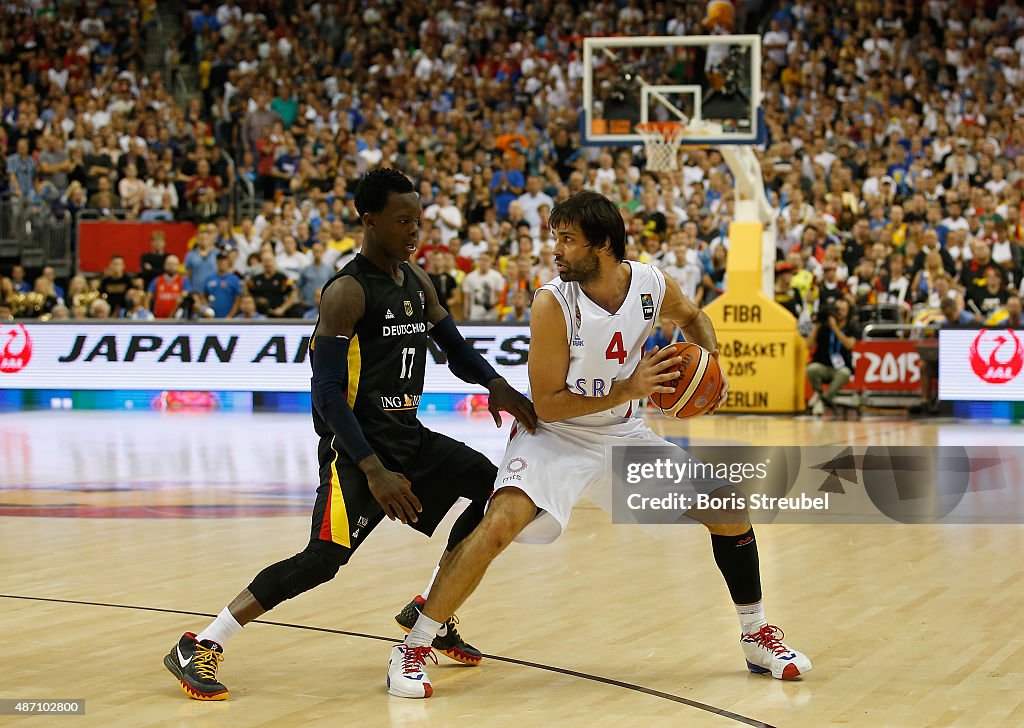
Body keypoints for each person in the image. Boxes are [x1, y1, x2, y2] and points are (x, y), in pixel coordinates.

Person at [386, 190, 810, 698]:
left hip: (621, 435)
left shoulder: (651, 285)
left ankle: (756, 635)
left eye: (567, 240)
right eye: (555, 239)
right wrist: (628, 388)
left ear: (603, 246)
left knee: (727, 509)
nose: (556, 251)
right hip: (554, 437)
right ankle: (413, 645)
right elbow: (547, 404)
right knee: (498, 525)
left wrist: (708, 365)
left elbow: (694, 316)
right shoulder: (552, 303)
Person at [164, 168, 536, 700]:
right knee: (323, 561)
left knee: (496, 491)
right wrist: (372, 468)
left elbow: (454, 349)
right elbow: (327, 395)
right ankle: (201, 642)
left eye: (418, 221)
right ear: (370, 220)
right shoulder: (345, 293)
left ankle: (431, 606)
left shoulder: (417, 281)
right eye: (404, 221)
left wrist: (495, 384)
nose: (415, 231)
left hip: (410, 438)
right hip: (356, 453)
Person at [805, 298, 859, 415]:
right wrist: (817, 326)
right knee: (811, 369)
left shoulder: (851, 326)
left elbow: (849, 345)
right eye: (837, 309)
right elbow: (808, 345)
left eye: (843, 310)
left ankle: (823, 400)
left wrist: (835, 328)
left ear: (848, 312)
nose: (839, 312)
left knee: (844, 373)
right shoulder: (824, 325)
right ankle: (819, 394)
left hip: (840, 368)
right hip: (824, 365)